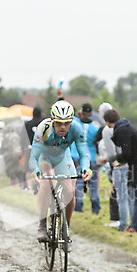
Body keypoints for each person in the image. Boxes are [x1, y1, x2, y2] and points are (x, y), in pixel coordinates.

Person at [29, 99, 93, 249]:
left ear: (71, 121)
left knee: (70, 190)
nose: (63, 127)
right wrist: (35, 171)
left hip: (63, 157)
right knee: (46, 184)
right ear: (52, 120)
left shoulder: (76, 128)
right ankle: (42, 223)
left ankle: (65, 229)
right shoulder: (42, 128)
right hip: (45, 157)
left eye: (66, 123)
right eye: (59, 123)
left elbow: (84, 153)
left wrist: (86, 168)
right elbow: (34, 155)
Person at [103, 109, 137, 235]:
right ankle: (135, 226)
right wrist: (122, 160)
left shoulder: (122, 130)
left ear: (107, 121)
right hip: (135, 166)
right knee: (136, 198)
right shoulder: (124, 127)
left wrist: (119, 160)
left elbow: (127, 152)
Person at [70, 103, 101, 214]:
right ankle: (95, 207)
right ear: (91, 114)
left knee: (78, 182)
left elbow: (68, 114)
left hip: (76, 155)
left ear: (81, 112)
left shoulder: (75, 123)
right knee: (93, 183)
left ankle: (78, 206)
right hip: (91, 157)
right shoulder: (96, 128)